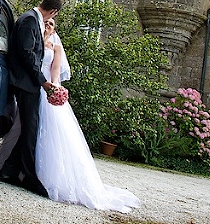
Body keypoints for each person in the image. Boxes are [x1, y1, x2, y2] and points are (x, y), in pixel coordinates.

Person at [35, 18, 141, 212]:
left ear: (55, 29)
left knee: (50, 133)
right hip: (33, 86)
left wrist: (54, 89)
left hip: (47, 88)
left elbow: (55, 71)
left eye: (52, 24)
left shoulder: (56, 48)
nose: (48, 26)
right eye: (46, 23)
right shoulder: (36, 41)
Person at [0, 0, 62, 196]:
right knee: (31, 129)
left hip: (27, 82)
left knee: (28, 129)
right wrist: (43, 81)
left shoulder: (30, 19)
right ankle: (29, 177)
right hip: (25, 83)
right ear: (53, 12)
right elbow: (27, 53)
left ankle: (9, 171)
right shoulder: (29, 20)